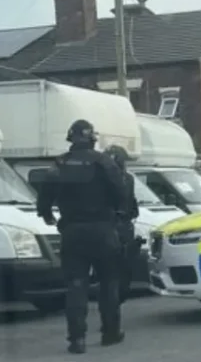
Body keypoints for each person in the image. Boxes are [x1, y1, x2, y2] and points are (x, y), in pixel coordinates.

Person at [36, 119, 127, 355]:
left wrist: (46, 215)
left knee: (76, 285)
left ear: (71, 139)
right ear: (92, 139)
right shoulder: (104, 162)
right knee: (109, 283)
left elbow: (45, 195)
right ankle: (110, 333)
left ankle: (77, 340)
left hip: (73, 232)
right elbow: (121, 191)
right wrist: (118, 215)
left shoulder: (60, 163)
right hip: (103, 230)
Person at [104, 145, 141, 303]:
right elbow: (132, 205)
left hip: (108, 226)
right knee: (124, 265)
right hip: (123, 226)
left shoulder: (101, 178)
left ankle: (113, 297)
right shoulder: (128, 179)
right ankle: (119, 296)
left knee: (109, 267)